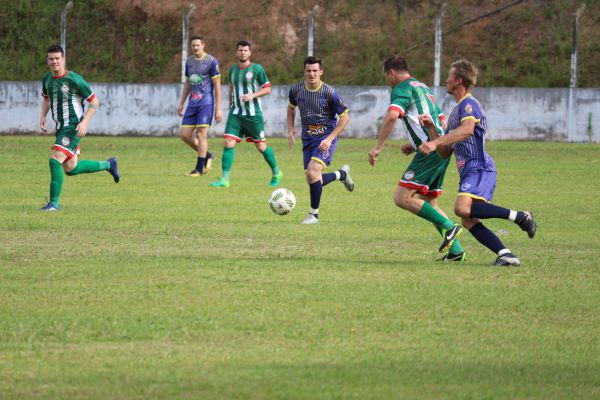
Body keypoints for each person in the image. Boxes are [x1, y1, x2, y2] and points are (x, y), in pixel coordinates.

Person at [419, 59, 537, 266]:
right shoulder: (456, 111)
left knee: (461, 208)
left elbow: (467, 131)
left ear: (458, 80)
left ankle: (521, 216)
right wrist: (431, 129)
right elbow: (446, 152)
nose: (446, 80)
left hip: (479, 166)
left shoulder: (469, 105)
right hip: (468, 171)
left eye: (449, 76)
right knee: (468, 219)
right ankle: (506, 254)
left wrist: (435, 141)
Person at [368, 55, 465, 261]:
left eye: (387, 77)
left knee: (402, 198)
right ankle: (456, 251)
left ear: (392, 73)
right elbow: (440, 120)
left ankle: (450, 227)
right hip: (440, 146)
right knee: (429, 202)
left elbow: (393, 116)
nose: (388, 81)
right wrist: (415, 145)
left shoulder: (401, 88)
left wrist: (378, 147)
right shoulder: (423, 87)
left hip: (429, 152)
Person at [40, 45, 119, 211]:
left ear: (63, 59)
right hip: (60, 127)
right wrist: (43, 116)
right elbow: (47, 99)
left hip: (73, 127)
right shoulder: (47, 79)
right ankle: (108, 165)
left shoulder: (75, 80)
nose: (54, 61)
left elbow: (94, 102)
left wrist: (84, 123)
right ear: (47, 60)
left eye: (57, 58)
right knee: (70, 168)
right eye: (51, 59)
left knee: (54, 160)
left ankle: (54, 203)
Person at [287, 56, 354, 225]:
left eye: (315, 71)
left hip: (325, 139)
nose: (312, 74)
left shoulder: (329, 93)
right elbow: (290, 108)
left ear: (321, 72)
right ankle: (342, 174)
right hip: (307, 140)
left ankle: (313, 215)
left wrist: (330, 139)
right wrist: (290, 129)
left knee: (312, 172)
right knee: (314, 179)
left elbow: (345, 117)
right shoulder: (296, 90)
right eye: (308, 70)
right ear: (304, 72)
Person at [210, 40, 282, 188]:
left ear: (250, 52)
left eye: (245, 50)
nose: (242, 52)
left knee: (261, 146)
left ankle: (276, 173)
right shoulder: (232, 70)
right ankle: (224, 180)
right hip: (236, 113)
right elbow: (232, 86)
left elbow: (267, 88)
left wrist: (252, 96)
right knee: (228, 142)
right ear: (236, 52)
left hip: (253, 115)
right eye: (240, 50)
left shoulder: (257, 69)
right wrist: (230, 102)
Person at [177, 35, 221, 176]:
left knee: (201, 134)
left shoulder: (211, 61)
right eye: (193, 45)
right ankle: (207, 156)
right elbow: (188, 83)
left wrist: (218, 109)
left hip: (206, 103)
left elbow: (218, 87)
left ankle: (198, 169)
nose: (195, 48)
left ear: (203, 45)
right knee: (184, 135)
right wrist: (181, 103)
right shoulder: (189, 62)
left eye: (198, 45)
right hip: (192, 104)